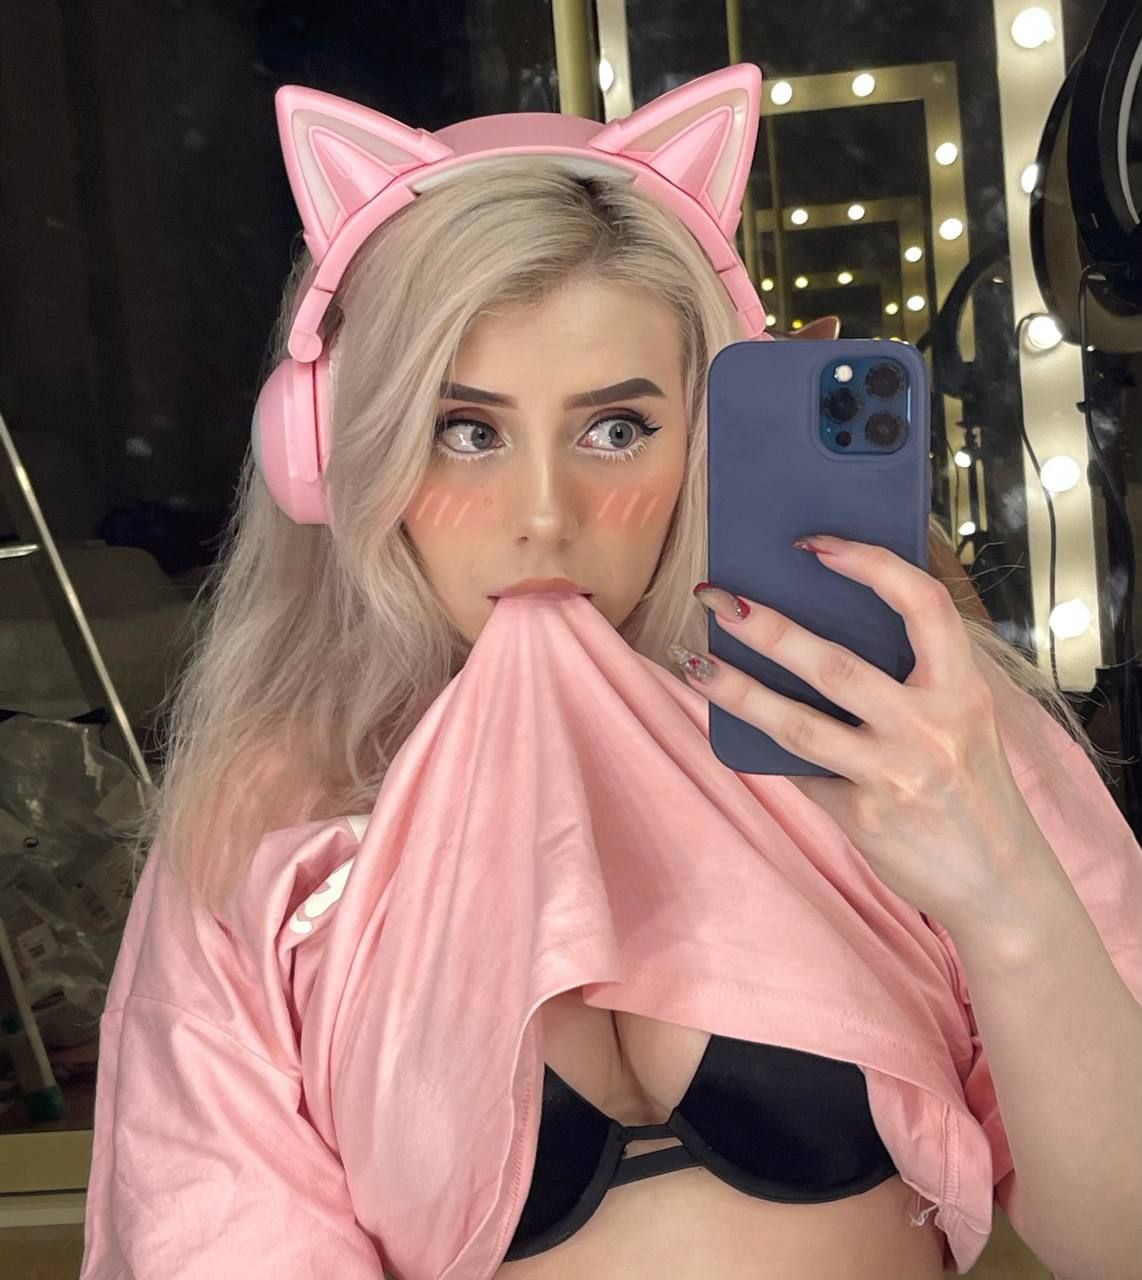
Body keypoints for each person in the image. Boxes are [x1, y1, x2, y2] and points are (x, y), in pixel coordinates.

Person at [78, 65, 1142, 1280]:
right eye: (464, 429)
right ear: (332, 450)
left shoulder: (902, 730)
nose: (543, 513)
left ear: (708, 434)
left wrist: (1001, 892)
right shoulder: (267, 815)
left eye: (615, 429)